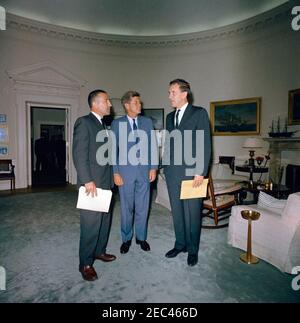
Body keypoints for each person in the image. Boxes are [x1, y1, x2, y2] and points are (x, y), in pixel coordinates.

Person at [163, 79, 211, 266]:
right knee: (177, 212)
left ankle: (193, 249)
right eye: (169, 92)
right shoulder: (169, 117)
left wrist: (200, 172)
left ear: (184, 94)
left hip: (193, 172)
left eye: (172, 92)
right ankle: (180, 244)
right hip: (172, 172)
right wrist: (164, 167)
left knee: (192, 213)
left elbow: (205, 143)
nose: (169, 96)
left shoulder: (199, 113)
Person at [72, 89, 116, 281]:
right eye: (107, 101)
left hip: (106, 183)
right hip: (92, 184)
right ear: (96, 104)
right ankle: (86, 263)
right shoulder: (84, 122)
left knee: (104, 222)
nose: (110, 104)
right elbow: (79, 155)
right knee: (90, 225)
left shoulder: (104, 125)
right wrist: (87, 180)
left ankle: (99, 251)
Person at [111, 91, 158, 254]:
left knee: (143, 207)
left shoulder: (147, 122)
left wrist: (153, 167)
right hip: (125, 174)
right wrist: (115, 172)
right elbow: (112, 150)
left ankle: (141, 237)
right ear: (127, 105)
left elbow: (153, 146)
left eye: (140, 102)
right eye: (136, 102)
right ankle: (126, 238)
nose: (140, 105)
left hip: (144, 172)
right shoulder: (117, 124)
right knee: (126, 208)